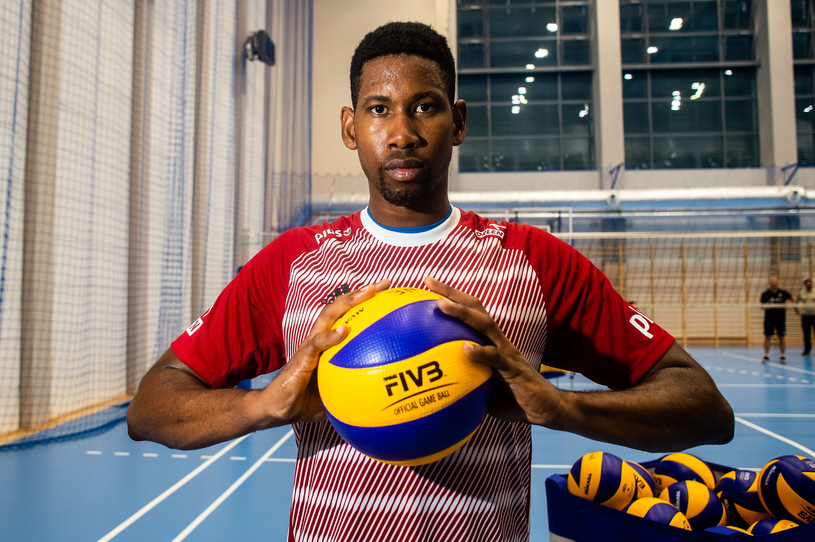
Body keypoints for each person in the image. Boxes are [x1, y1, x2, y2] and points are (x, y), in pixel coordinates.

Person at [126, 22, 734, 541]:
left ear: (458, 120)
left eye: (425, 106)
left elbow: (705, 407)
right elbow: (151, 407)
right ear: (350, 127)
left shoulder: (535, 260)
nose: (402, 132)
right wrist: (263, 404)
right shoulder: (291, 263)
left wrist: (562, 407)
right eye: (379, 109)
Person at [760, 276, 793, 364]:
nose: (774, 283)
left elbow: (793, 298)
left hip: (780, 318)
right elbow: (762, 306)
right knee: (767, 337)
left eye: (775, 282)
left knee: (781, 337)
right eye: (772, 282)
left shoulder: (783, 292)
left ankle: (783, 355)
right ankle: (766, 355)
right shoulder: (765, 294)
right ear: (770, 283)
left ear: (777, 283)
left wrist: (790, 305)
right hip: (769, 319)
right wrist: (766, 305)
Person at [796, 277, 815, 355]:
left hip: (814, 315)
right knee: (806, 334)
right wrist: (798, 312)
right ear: (805, 285)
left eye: (810, 283)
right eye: (807, 284)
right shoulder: (801, 293)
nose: (809, 285)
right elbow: (795, 302)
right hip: (805, 316)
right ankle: (807, 350)